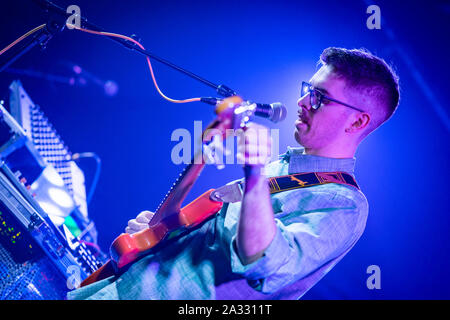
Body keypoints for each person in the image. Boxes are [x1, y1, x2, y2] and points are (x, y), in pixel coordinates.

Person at [67, 47, 400, 300]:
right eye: (307, 89)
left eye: (319, 97)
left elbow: (264, 263)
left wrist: (254, 174)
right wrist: (163, 226)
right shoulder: (282, 166)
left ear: (357, 122)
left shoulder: (346, 205)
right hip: (123, 286)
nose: (301, 101)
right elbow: (193, 239)